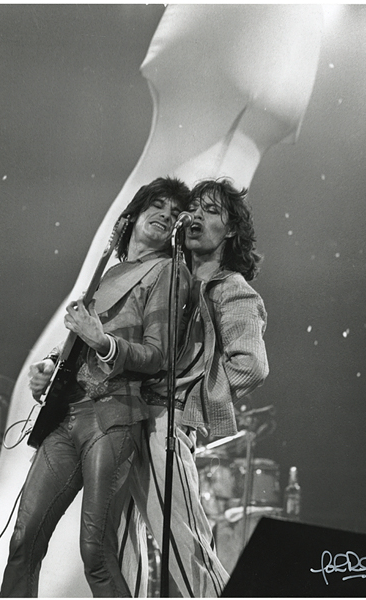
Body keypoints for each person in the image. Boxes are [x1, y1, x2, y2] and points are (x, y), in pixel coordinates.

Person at [0, 177, 192, 598]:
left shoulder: (169, 272)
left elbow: (158, 354)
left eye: (175, 213)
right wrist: (49, 365)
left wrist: (103, 342)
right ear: (136, 214)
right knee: (22, 541)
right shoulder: (111, 272)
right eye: (157, 205)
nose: (165, 215)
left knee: (96, 553)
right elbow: (79, 338)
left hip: (112, 420)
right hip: (66, 416)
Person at [119, 177, 269, 597]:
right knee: (115, 547)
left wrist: (189, 399)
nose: (196, 216)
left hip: (163, 424)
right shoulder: (168, 279)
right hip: (123, 414)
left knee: (185, 546)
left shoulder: (231, 290)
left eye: (211, 211)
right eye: (194, 208)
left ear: (231, 230)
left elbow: (251, 366)